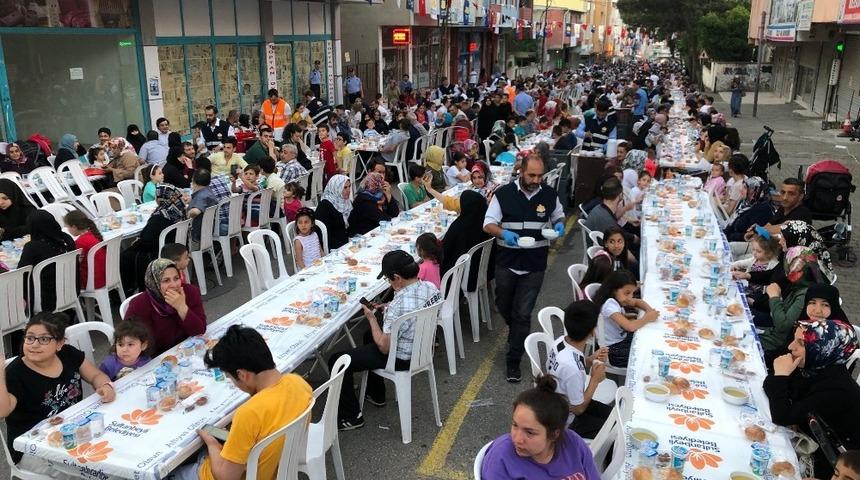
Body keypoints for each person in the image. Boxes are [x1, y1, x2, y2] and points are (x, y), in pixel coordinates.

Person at [171, 325, 312, 480]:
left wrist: (212, 444)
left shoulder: (249, 413)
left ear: (242, 375)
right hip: (275, 468)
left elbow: (226, 477)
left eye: (230, 378)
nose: (234, 383)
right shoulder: (299, 383)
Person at [328, 250, 441, 430]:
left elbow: (383, 347)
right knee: (367, 336)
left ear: (397, 277)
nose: (388, 282)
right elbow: (412, 307)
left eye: (388, 279)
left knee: (337, 359)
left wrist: (372, 318)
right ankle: (376, 393)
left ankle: (351, 416)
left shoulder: (399, 305)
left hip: (401, 357)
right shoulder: (430, 287)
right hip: (423, 349)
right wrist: (386, 307)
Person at [483, 153, 565, 383]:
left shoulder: (549, 195)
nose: (537, 179)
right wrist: (503, 233)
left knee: (522, 314)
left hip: (534, 264)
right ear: (521, 171)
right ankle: (517, 333)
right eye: (532, 175)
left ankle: (513, 360)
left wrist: (559, 226)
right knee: (503, 305)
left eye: (540, 176)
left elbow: (559, 216)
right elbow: (487, 223)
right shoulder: (503, 194)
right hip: (507, 262)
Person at [0, 313, 117, 466]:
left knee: (113, 444)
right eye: (29, 338)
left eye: (44, 339)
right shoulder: (16, 373)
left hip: (72, 431)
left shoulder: (67, 354)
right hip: (33, 448)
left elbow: (95, 375)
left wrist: (106, 386)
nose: (34, 344)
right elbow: (3, 411)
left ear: (60, 343)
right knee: (101, 464)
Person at [764, 318, 860, 479]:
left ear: (824, 349)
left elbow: (782, 415)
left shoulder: (837, 389)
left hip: (834, 467)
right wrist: (780, 377)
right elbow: (771, 386)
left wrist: (781, 376)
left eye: (801, 343)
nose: (790, 347)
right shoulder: (816, 368)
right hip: (809, 440)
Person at [481, 375, 601, 479]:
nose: (517, 439)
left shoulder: (574, 444)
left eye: (530, 433)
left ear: (554, 434)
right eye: (515, 425)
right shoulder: (501, 458)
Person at [546, 301, 610, 439]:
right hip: (567, 420)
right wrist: (595, 380)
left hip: (560, 401)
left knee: (615, 414)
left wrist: (591, 359)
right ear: (592, 332)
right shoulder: (572, 368)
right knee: (614, 430)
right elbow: (578, 409)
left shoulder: (561, 341)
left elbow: (572, 366)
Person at [125, 259, 206, 355]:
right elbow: (134, 345)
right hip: (157, 358)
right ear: (154, 283)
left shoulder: (190, 292)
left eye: (176, 278)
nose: (174, 285)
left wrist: (182, 308)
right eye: (166, 280)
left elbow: (199, 331)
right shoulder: (139, 305)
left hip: (189, 349)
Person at [758, 246, 826, 353]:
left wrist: (774, 297)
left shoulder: (805, 295)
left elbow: (783, 326)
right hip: (774, 334)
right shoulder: (799, 285)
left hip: (779, 345)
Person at [120, 184, 187, 293]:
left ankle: (128, 289)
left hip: (160, 251)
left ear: (161, 198)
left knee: (126, 256)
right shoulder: (179, 209)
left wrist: (137, 242)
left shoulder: (160, 216)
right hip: (177, 246)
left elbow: (147, 241)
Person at [592, 270, 659, 368]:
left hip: (620, 339)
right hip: (612, 351)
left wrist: (649, 311)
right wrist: (647, 318)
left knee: (648, 338)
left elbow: (637, 302)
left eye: (632, 293)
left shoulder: (616, 298)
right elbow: (630, 327)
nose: (630, 297)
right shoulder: (609, 305)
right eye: (627, 293)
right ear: (614, 289)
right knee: (647, 355)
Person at [19, 211, 78, 314]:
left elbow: (22, 273)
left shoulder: (32, 247)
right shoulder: (66, 239)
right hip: (71, 289)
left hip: (45, 299)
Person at [748, 177, 812, 238]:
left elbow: (783, 229)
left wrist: (758, 229)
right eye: (783, 192)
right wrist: (758, 231)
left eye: (791, 194)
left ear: (801, 196)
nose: (785, 198)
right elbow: (769, 225)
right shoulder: (783, 208)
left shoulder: (803, 212)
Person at [725, 177, 774, 253]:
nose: (741, 190)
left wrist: (727, 236)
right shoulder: (746, 203)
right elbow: (733, 225)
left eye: (745, 188)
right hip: (731, 237)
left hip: (747, 246)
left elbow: (750, 235)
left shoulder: (762, 209)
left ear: (755, 191)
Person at [64, 210, 106, 290]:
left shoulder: (80, 242)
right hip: (105, 275)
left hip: (93, 281)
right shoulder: (94, 234)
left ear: (74, 227)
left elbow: (74, 264)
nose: (68, 230)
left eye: (68, 227)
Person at [731, 234, 781, 298]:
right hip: (748, 287)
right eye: (753, 249)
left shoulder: (773, 265)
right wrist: (733, 265)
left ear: (769, 253)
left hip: (757, 295)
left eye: (758, 251)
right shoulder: (755, 259)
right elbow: (742, 263)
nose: (754, 253)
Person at [315, 175, 352, 249]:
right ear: (336, 188)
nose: (348, 190)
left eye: (349, 186)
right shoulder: (325, 206)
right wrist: (345, 246)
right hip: (335, 247)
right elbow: (324, 235)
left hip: (347, 242)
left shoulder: (346, 202)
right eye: (344, 187)